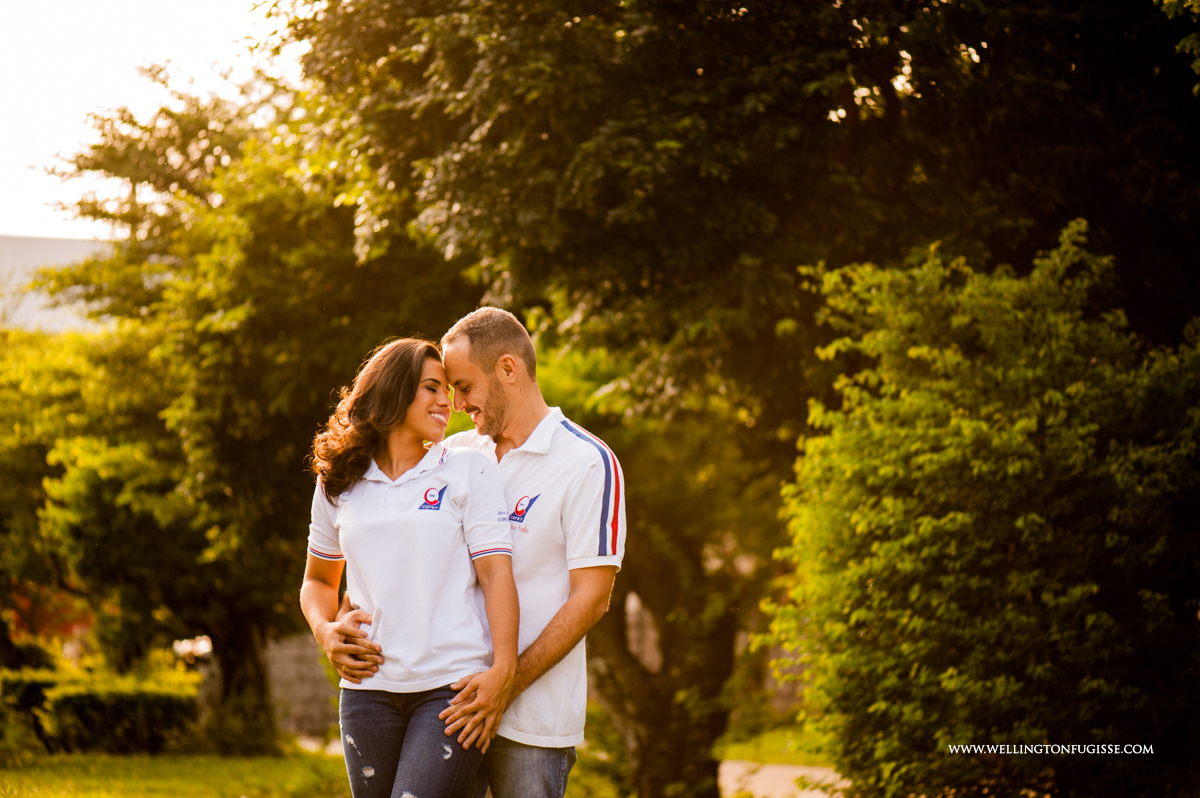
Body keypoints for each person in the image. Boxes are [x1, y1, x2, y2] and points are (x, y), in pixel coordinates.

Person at [300, 338, 520, 798]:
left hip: (450, 691)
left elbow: (496, 573)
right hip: (366, 692)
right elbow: (319, 580)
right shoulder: (338, 481)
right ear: (394, 391)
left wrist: (504, 667)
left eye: (448, 390)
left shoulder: (465, 470)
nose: (447, 401)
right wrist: (324, 630)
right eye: (432, 388)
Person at [437, 307, 626, 798]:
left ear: (507, 368)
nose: (457, 404)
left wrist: (507, 685)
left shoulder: (588, 462)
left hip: (533, 726)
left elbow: (592, 598)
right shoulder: (454, 457)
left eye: (464, 386)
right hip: (447, 710)